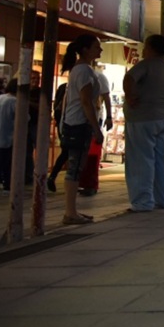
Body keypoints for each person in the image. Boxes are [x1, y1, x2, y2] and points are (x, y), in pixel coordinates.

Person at [122, 35, 164, 212]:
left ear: (151, 48)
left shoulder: (146, 65)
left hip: (142, 118)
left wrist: (131, 96)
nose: (143, 51)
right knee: (159, 160)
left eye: (145, 47)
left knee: (141, 160)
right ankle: (162, 198)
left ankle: (142, 202)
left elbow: (129, 79)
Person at [58, 34, 105, 224]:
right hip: (79, 124)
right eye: (96, 47)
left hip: (73, 122)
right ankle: (70, 212)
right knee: (75, 168)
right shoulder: (84, 71)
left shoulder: (79, 70)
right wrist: (96, 128)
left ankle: (72, 211)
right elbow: (86, 102)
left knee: (76, 167)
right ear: (85, 49)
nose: (100, 50)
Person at [0, 78, 20, 195]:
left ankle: (7, 184)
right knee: (4, 161)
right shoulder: (14, 101)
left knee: (3, 161)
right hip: (9, 135)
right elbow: (24, 118)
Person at [46, 82, 70, 192]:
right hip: (70, 126)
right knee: (69, 152)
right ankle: (56, 177)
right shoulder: (69, 92)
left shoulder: (63, 89)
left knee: (66, 152)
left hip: (62, 125)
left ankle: (53, 176)